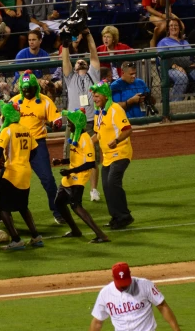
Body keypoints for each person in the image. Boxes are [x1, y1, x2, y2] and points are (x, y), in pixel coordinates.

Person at [78, 262, 186, 331]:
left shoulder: (145, 285)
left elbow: (162, 306)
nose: (124, 285)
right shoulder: (105, 294)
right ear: (113, 277)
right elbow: (97, 322)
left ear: (130, 274)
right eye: (120, 283)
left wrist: (176, 330)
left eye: (125, 281)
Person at [10, 70, 63, 223]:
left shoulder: (45, 101)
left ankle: (58, 211)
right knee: (12, 180)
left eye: (30, 89)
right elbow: (4, 121)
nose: (27, 92)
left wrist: (56, 123)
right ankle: (7, 212)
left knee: (47, 179)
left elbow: (56, 119)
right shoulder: (14, 102)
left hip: (37, 145)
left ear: (36, 87)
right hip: (18, 146)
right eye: (24, 89)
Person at [51, 109, 110, 242]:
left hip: (79, 177)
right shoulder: (74, 137)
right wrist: (61, 161)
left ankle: (101, 235)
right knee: (59, 202)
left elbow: (90, 164)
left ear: (77, 123)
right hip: (70, 176)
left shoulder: (86, 140)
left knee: (76, 205)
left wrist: (70, 171)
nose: (68, 125)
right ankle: (75, 230)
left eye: (70, 123)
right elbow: (76, 159)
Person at [0, 99, 44, 250]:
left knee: (3, 208)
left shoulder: (7, 130)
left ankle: (16, 240)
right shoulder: (26, 129)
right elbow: (35, 150)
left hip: (11, 173)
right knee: (23, 206)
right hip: (25, 172)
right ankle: (36, 237)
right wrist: (24, 160)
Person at [61, 27, 103, 199]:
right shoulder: (70, 77)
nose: (80, 62)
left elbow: (93, 54)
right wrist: (65, 44)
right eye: (77, 62)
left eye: (82, 61)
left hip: (91, 122)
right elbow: (65, 60)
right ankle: (71, 188)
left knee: (92, 159)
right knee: (71, 157)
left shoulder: (93, 74)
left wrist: (87, 34)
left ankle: (93, 190)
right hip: (73, 124)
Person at [90, 81, 134, 229]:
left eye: (97, 96)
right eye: (94, 96)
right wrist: (85, 143)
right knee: (107, 186)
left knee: (113, 182)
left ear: (105, 95)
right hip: (107, 157)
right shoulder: (99, 113)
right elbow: (98, 135)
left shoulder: (115, 109)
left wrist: (116, 140)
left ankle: (124, 216)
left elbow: (127, 130)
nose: (94, 99)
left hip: (121, 152)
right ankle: (116, 217)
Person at [157, 18, 195, 101]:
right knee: (182, 77)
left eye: (176, 25)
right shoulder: (163, 42)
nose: (173, 27)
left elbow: (191, 55)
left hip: (188, 68)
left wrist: (193, 62)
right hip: (170, 69)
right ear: (168, 29)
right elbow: (162, 58)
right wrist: (175, 66)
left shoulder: (185, 42)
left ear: (179, 28)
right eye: (171, 25)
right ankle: (175, 104)